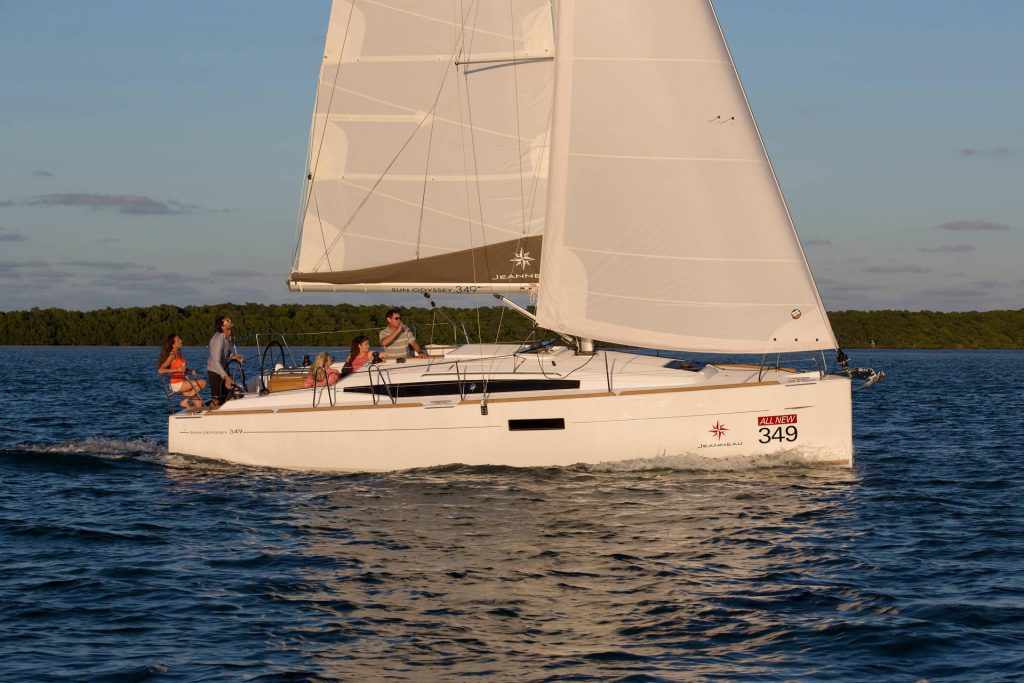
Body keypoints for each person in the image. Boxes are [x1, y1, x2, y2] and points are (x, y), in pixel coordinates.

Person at [158, 333, 206, 412]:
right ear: (173, 345)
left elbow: (181, 368)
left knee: (199, 404)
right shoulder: (172, 355)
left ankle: (194, 417)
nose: (181, 341)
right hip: (177, 384)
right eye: (178, 340)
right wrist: (177, 370)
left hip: (183, 382)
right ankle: (185, 402)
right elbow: (161, 370)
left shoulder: (179, 353)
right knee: (202, 382)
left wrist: (189, 370)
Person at [207, 315, 244, 408]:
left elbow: (225, 353)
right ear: (222, 326)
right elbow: (216, 361)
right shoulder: (218, 339)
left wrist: (233, 356)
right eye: (227, 320)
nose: (230, 320)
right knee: (216, 399)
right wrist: (227, 378)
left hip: (223, 369)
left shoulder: (228, 336)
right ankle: (209, 415)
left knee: (228, 396)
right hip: (215, 371)